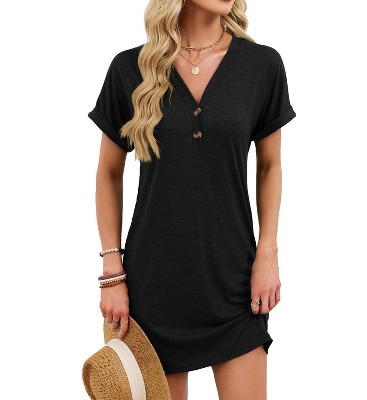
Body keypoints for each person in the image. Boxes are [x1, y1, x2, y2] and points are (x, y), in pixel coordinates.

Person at [88, 0, 296, 399]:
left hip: (235, 283)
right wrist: (112, 272)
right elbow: (108, 173)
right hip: (153, 290)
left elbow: (270, 166)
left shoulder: (261, 65)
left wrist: (267, 251)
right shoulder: (130, 69)